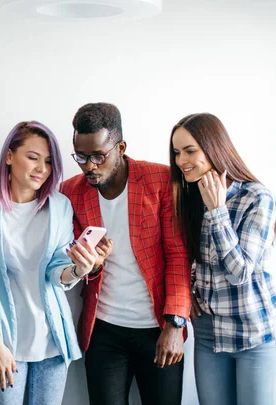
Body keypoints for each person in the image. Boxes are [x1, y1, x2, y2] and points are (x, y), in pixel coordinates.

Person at [60, 102, 191, 405]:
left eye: (97, 156)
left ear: (120, 147)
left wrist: (175, 324)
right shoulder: (70, 192)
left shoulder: (160, 180)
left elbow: (178, 256)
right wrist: (91, 265)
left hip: (158, 326)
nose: (88, 166)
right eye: (80, 156)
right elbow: (75, 263)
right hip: (104, 330)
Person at [0, 121, 102, 405]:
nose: (42, 168)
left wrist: (78, 268)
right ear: (9, 156)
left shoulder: (59, 206)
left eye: (49, 161)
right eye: (33, 158)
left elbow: (56, 272)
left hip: (51, 339)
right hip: (4, 341)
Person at [170, 113, 276, 405]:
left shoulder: (258, 198)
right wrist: (188, 292)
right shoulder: (189, 198)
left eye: (190, 151)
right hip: (209, 335)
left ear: (214, 148)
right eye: (177, 153)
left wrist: (217, 211)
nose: (181, 161)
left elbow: (239, 271)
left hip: (253, 334)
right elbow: (185, 257)